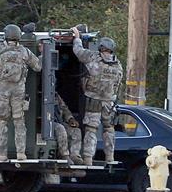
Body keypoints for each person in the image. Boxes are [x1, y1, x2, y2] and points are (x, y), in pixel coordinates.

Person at [0, 24, 41, 161]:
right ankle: (21, 153)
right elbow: (38, 67)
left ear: (5, 35)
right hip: (18, 91)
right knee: (19, 121)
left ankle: (1, 153)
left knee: (2, 121)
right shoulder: (24, 52)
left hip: (1, 92)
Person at [71, 27, 124, 165]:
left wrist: (77, 37)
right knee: (109, 129)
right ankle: (110, 157)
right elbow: (117, 85)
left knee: (91, 129)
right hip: (108, 102)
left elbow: (78, 52)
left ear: (101, 48)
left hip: (93, 100)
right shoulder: (118, 65)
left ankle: (88, 158)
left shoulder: (94, 57)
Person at [53, 93, 84, 165]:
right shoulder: (41, 94)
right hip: (48, 124)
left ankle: (74, 155)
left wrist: (70, 119)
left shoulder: (56, 95)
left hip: (59, 121)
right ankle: (64, 155)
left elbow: (64, 109)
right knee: (60, 128)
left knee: (76, 131)